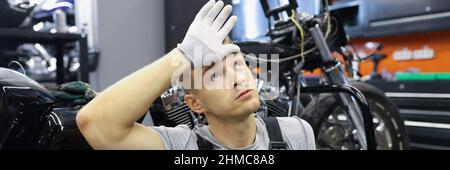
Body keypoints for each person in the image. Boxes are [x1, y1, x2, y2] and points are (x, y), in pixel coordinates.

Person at [76, 0, 315, 150]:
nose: (236, 78)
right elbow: (95, 124)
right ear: (195, 103)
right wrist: (183, 56)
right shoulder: (182, 146)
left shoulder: (295, 134)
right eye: (214, 76)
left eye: (238, 65)